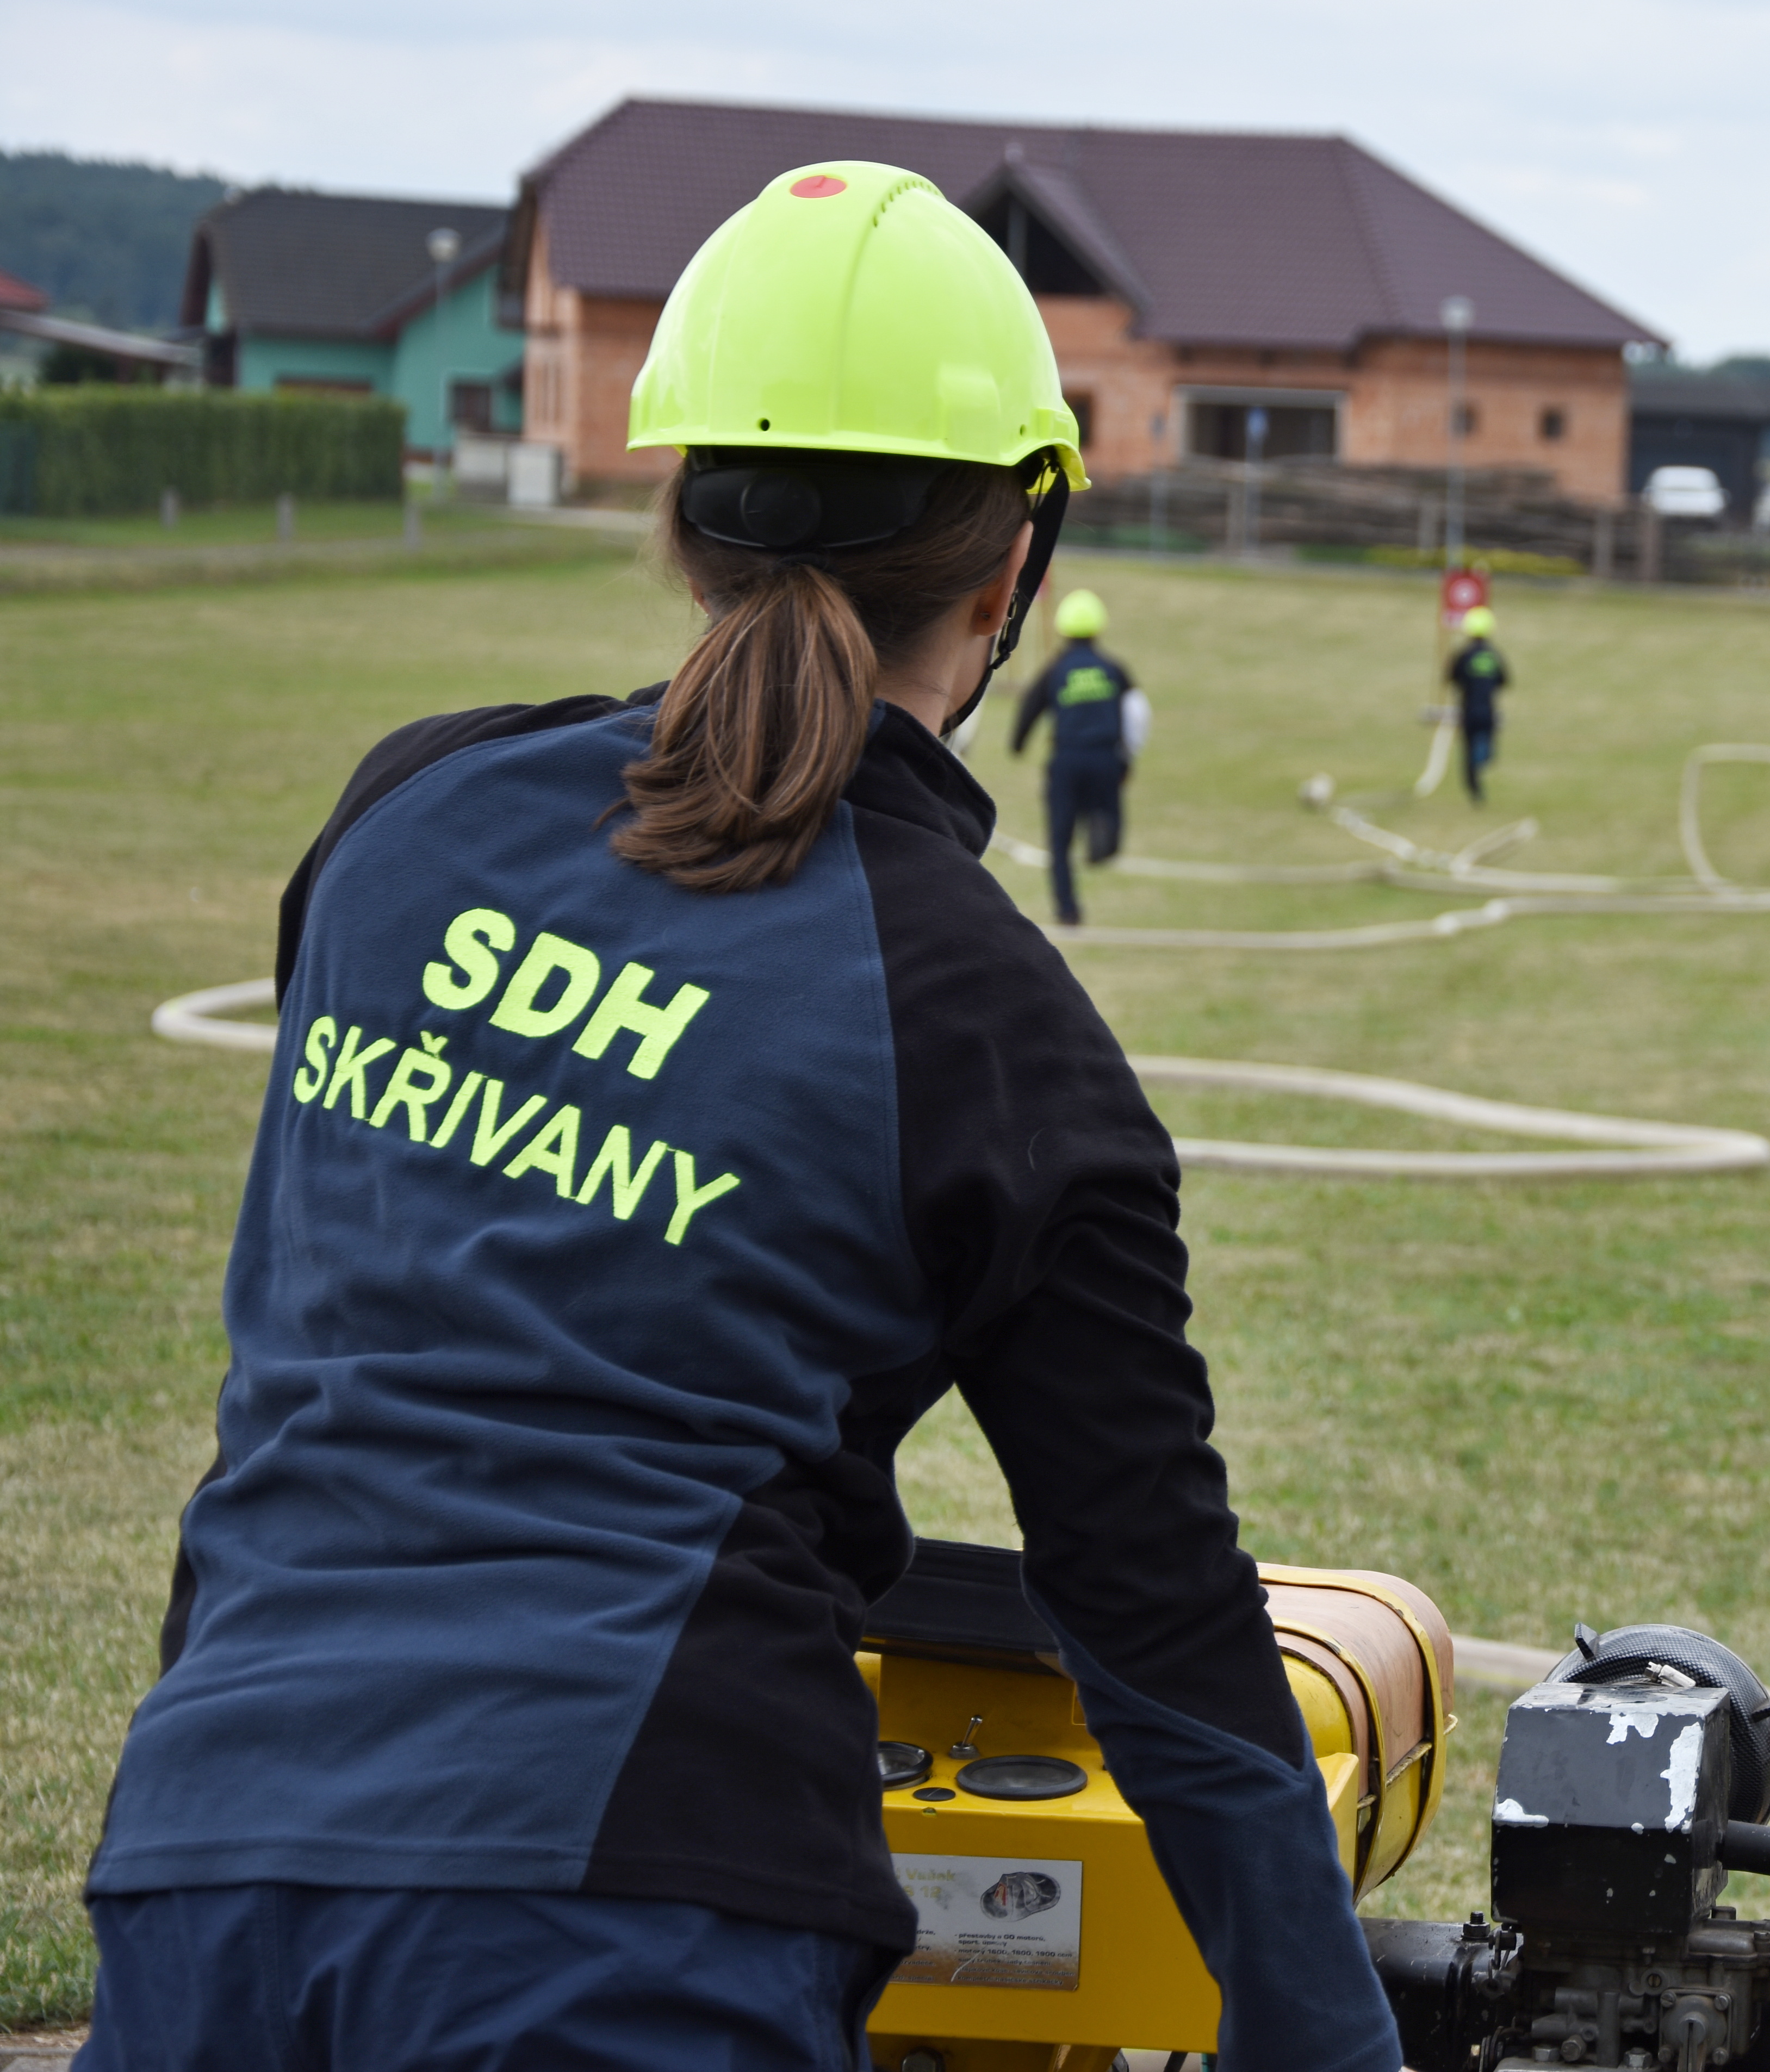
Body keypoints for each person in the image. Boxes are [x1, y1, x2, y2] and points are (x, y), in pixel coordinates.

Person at [77, 163, 1399, 2072]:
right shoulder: (993, 1027)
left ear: (680, 514)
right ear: (1011, 565)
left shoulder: (404, 819)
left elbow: (312, 1353)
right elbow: (1165, 1630)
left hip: (207, 1867)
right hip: (625, 1927)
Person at [1010, 587, 1140, 922]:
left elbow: (1030, 707)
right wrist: (1127, 756)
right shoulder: (1113, 669)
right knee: (1107, 813)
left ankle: (1067, 909)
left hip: (1067, 759)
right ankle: (1103, 837)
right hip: (1105, 758)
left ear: (1061, 628)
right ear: (1100, 626)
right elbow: (1137, 712)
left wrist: (1019, 743)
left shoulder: (1056, 670)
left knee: (1059, 838)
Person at [1448, 604, 1510, 802]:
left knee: (1469, 752)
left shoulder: (1464, 655)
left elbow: (1452, 677)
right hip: (1488, 710)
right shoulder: (1493, 655)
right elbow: (1504, 680)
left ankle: (1475, 790)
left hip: (1468, 710)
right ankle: (1482, 758)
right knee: (1485, 748)